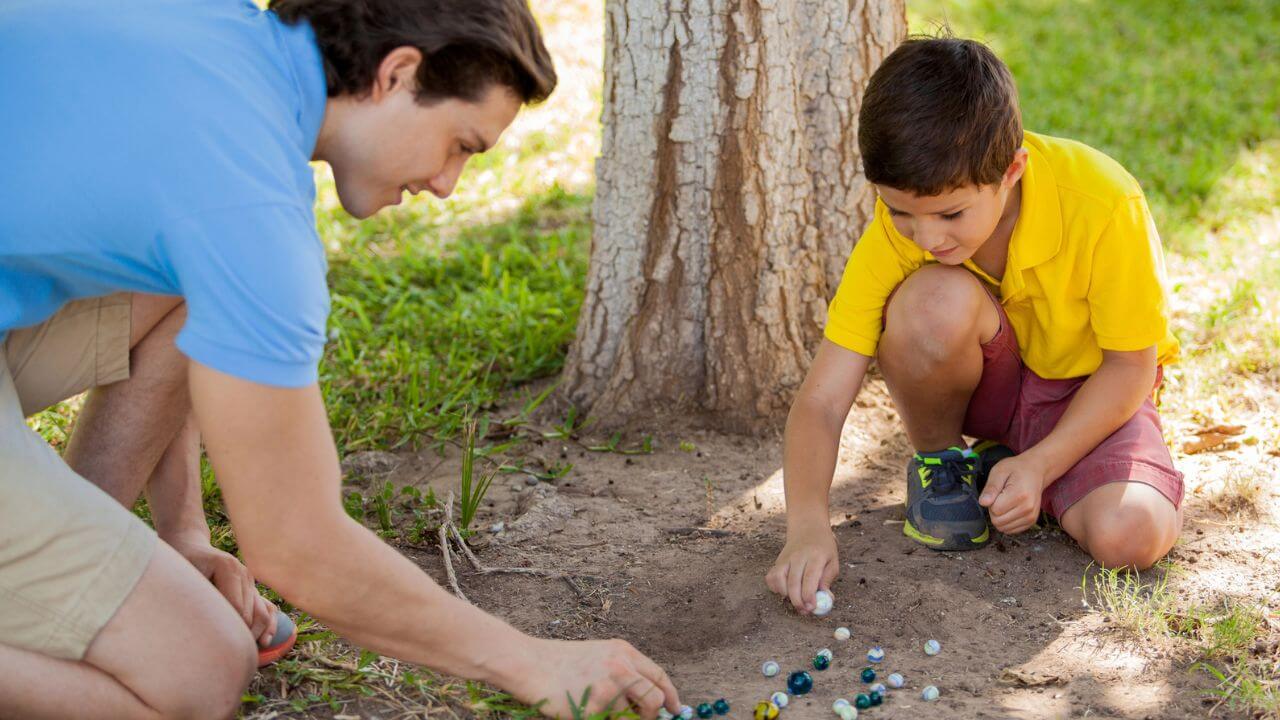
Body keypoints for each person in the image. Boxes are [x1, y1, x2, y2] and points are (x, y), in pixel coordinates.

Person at [0, 0, 679, 717]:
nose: (446, 185)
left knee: (191, 292)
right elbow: (294, 543)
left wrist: (184, 534)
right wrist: (531, 661)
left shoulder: (214, 28)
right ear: (396, 74)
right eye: (461, 144)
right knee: (197, 669)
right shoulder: (249, 203)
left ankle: (58, 596)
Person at [767, 35, 1183, 613]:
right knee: (932, 300)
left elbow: (1131, 368)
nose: (928, 237)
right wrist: (807, 525)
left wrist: (1042, 463)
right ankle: (950, 469)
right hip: (990, 386)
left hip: (1093, 396)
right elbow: (822, 399)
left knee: (1130, 536)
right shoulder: (898, 236)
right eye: (900, 211)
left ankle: (1032, 471)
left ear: (1012, 170)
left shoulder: (1104, 203)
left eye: (951, 213)